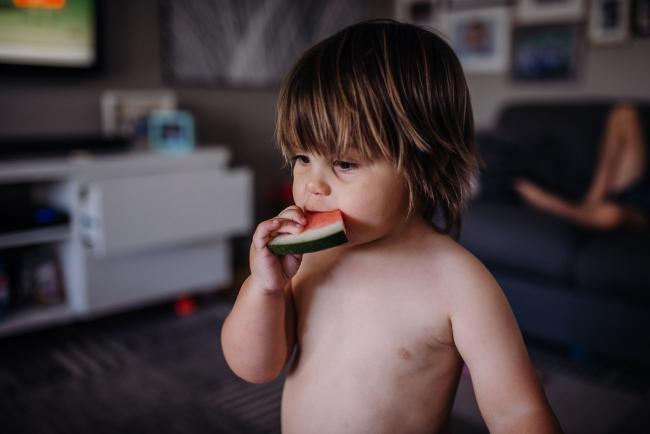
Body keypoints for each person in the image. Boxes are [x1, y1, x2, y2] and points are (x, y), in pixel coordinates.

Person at [221, 20, 562, 434]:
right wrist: (266, 289)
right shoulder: (311, 259)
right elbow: (255, 368)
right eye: (302, 158)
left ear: (423, 166)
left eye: (344, 163)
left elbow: (518, 413)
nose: (312, 184)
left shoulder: (459, 283)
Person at [514, 103, 649, 230]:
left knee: (612, 214)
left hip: (639, 211)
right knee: (625, 112)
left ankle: (548, 203)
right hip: (635, 187)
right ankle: (593, 199)